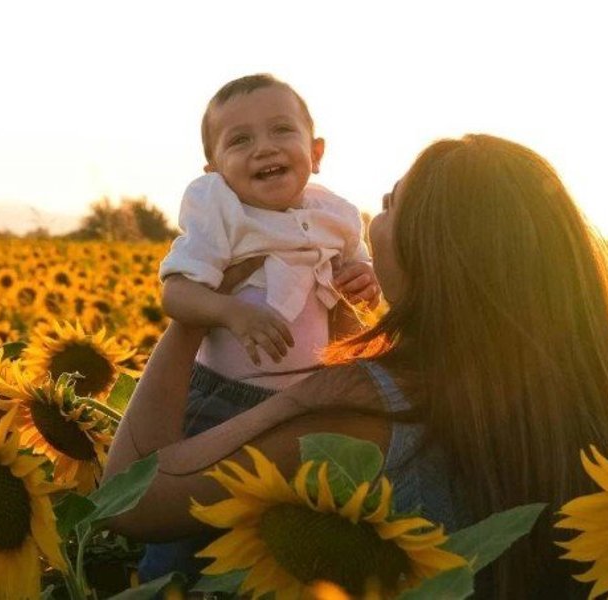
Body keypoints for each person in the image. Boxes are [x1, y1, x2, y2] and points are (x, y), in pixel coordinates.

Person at [105, 133, 608, 598]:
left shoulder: (361, 407)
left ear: (433, 253)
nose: (371, 220)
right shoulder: (595, 414)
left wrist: (193, 313)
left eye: (390, 204)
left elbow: (135, 499)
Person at [145, 73, 380, 581]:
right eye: (240, 140)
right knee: (188, 524)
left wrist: (365, 279)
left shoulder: (335, 214)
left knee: (275, 532)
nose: (264, 148)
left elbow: (354, 271)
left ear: (315, 152)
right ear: (214, 170)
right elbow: (176, 293)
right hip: (224, 402)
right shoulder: (220, 213)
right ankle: (160, 585)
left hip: (306, 399)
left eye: (281, 131)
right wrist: (233, 312)